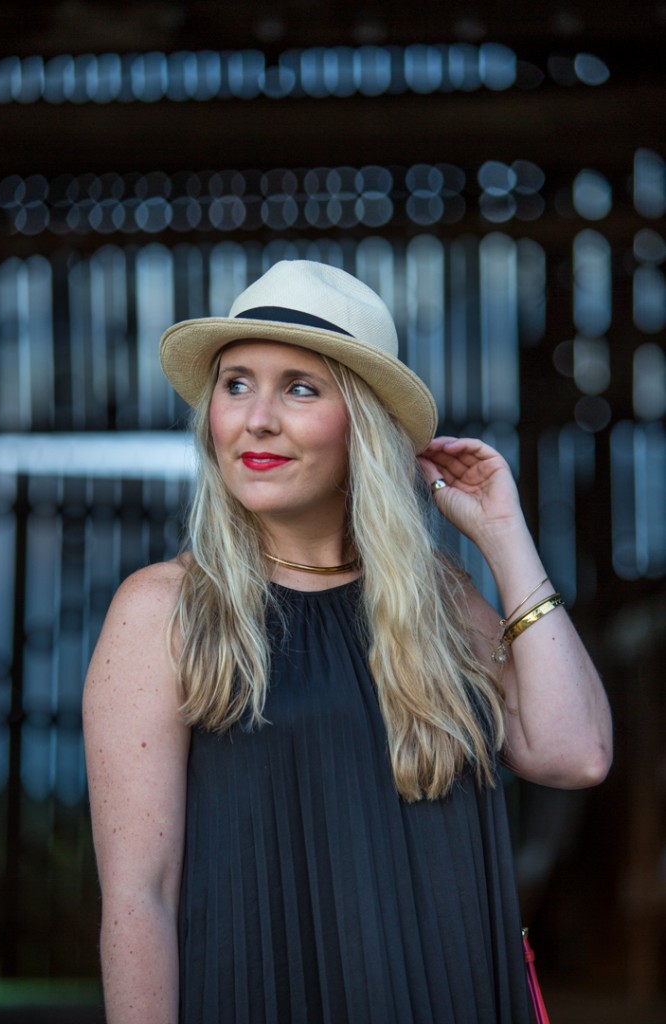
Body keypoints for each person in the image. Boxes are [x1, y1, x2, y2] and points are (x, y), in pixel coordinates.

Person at [82, 259, 612, 1024]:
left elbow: (576, 753)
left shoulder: (435, 597)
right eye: (236, 384)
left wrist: (506, 539)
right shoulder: (162, 609)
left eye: (299, 386)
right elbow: (140, 897)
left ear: (360, 421)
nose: (257, 417)